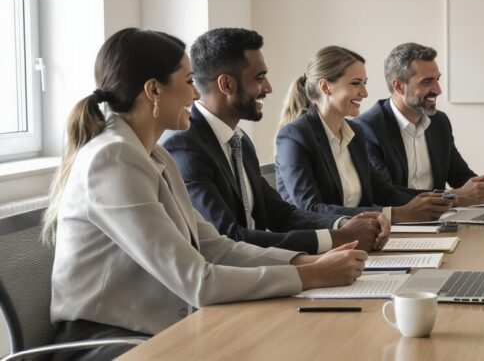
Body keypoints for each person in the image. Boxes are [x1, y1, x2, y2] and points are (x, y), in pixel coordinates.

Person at [45, 28, 365, 360]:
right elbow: (198, 280)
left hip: (154, 329)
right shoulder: (112, 159)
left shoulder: (155, 155)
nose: (196, 95)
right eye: (187, 82)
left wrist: (307, 261)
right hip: (112, 344)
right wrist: (309, 274)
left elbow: (215, 247)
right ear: (153, 90)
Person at [161, 28, 387, 255]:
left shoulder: (239, 140)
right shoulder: (184, 146)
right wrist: (335, 238)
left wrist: (344, 224)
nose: (268, 87)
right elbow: (229, 237)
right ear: (227, 85)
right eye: (259, 78)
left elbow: (282, 215)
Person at [275, 46, 452, 223]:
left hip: (360, 236)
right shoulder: (294, 136)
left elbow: (384, 193)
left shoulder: (355, 133)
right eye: (355, 83)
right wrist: (397, 214)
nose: (365, 93)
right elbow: (311, 208)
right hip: (320, 245)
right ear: (325, 86)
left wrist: (444, 199)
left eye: (364, 83)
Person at [353, 42, 484, 207]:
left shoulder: (439, 122)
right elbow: (387, 193)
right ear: (399, 86)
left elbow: (459, 176)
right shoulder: (367, 128)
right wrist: (453, 197)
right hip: (400, 225)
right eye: (427, 82)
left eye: (437, 80)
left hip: (440, 220)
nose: (438, 90)